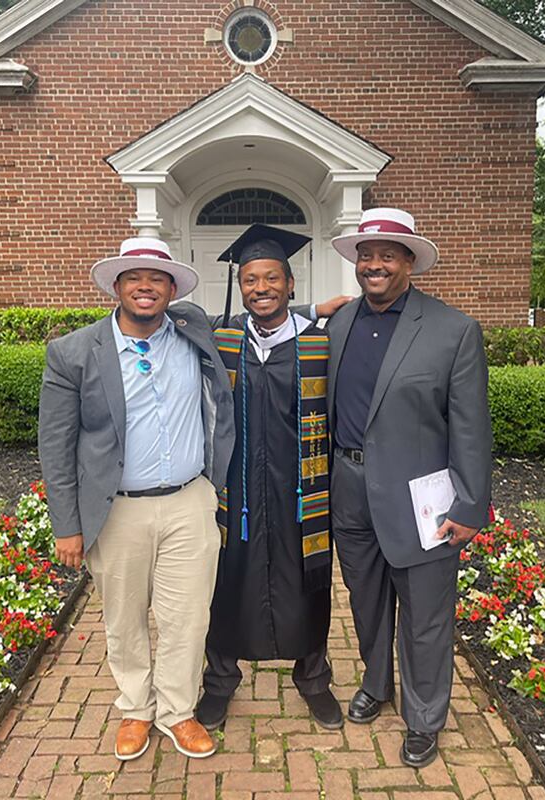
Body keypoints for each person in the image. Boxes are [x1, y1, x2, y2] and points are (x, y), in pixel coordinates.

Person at [38, 237, 235, 761]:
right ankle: (135, 708)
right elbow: (55, 444)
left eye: (157, 278)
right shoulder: (75, 352)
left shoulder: (194, 331)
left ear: (172, 289)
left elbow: (262, 313)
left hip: (190, 502)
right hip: (118, 507)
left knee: (187, 616)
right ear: (117, 286)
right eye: (134, 278)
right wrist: (67, 525)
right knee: (124, 618)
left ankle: (177, 710)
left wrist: (314, 309)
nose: (145, 287)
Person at [325, 208, 492, 767]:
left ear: (410, 261)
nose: (374, 264)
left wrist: (470, 504)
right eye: (366, 255)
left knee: (425, 616)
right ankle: (377, 685)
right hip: (349, 490)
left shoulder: (453, 330)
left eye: (387, 255)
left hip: (422, 500)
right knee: (367, 605)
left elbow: (470, 427)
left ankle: (424, 718)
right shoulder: (341, 323)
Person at [195, 224, 343, 732]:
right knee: (225, 582)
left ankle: (314, 679)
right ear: (241, 287)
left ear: (292, 284)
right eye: (251, 280)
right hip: (235, 491)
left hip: (301, 489)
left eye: (272, 278)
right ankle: (218, 682)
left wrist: (317, 314)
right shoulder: (222, 341)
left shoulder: (321, 345)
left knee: (309, 580)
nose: (261, 288)